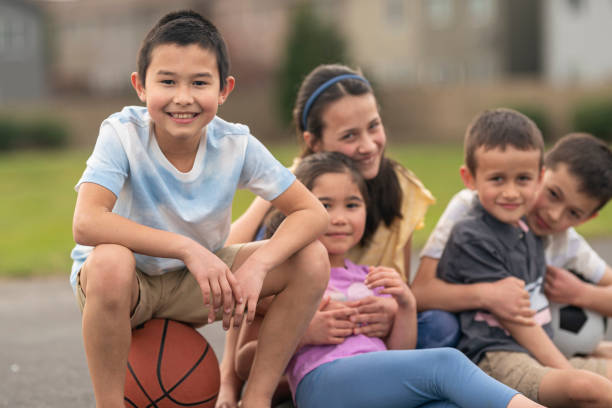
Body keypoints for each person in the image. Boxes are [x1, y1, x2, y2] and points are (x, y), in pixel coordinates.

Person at [69, 10, 330, 408]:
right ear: (140, 86)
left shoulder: (235, 144)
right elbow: (87, 222)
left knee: (311, 258)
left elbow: (313, 213)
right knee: (109, 263)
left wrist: (259, 266)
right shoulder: (121, 134)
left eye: (199, 82)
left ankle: (255, 399)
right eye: (168, 81)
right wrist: (187, 248)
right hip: (125, 285)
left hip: (197, 285)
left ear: (224, 90)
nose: (183, 97)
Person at [217, 64, 443, 408]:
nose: (368, 146)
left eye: (374, 126)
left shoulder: (401, 188)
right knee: (260, 261)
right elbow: (237, 267)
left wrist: (388, 309)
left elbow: (401, 282)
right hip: (301, 332)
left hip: (368, 335)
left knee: (440, 327)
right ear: (314, 142)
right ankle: (273, 384)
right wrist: (227, 388)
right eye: (350, 136)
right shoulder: (293, 188)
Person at [267, 151, 544, 408]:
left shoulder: (373, 278)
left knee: (448, 405)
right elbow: (247, 361)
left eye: (352, 205)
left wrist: (405, 304)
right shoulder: (290, 276)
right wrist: (304, 335)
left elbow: (400, 352)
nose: (339, 218)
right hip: (322, 384)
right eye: (325, 205)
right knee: (445, 363)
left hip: (376, 386)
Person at [435, 108, 612, 406]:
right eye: (498, 179)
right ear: (470, 179)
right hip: (497, 356)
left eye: (522, 179)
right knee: (589, 389)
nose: (511, 193)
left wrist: (583, 294)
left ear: (537, 177)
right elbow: (517, 321)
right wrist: (566, 372)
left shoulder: (526, 228)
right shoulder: (474, 234)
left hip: (537, 351)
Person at [412, 132, 612, 355]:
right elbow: (420, 293)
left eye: (574, 213)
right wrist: (486, 294)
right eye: (553, 194)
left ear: (587, 219)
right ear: (539, 174)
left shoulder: (566, 243)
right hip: (458, 332)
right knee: (438, 326)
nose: (555, 215)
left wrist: (580, 293)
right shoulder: (470, 206)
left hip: (514, 345)